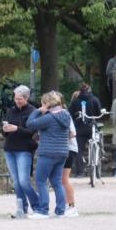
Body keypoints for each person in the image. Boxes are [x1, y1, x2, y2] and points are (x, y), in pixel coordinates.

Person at [25, 91, 72, 219]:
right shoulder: (65, 114)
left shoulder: (49, 118)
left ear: (46, 104)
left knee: (40, 180)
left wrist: (37, 111)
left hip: (48, 152)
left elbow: (30, 124)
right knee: (57, 182)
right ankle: (60, 210)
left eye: (42, 103)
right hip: (62, 152)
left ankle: (43, 210)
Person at [1, 85, 38, 219]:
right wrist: (4, 129)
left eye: (20, 99)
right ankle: (21, 208)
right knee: (16, 182)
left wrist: (17, 128)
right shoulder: (10, 111)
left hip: (24, 149)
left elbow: (32, 131)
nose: (17, 101)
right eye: (16, 99)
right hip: (10, 148)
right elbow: (4, 130)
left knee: (24, 181)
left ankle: (37, 205)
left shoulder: (33, 111)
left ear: (27, 98)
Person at [69, 83, 101, 176]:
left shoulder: (75, 101)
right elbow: (98, 113)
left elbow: (70, 113)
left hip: (79, 128)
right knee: (97, 144)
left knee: (78, 149)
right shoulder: (95, 99)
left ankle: (80, 172)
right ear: (89, 90)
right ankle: (97, 170)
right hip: (92, 126)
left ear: (80, 90)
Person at [58, 93, 79, 218]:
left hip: (68, 148)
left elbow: (72, 133)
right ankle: (65, 205)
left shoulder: (64, 114)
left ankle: (71, 205)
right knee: (59, 179)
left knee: (63, 179)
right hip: (60, 149)